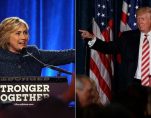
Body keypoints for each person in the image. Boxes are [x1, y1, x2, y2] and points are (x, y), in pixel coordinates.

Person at [79, 7, 151, 90]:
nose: (139, 22)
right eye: (137, 19)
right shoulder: (127, 37)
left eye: (142, 19)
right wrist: (91, 38)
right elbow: (108, 48)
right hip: (134, 85)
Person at [0, 17, 75, 76]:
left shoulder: (33, 53)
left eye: (25, 32)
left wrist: (86, 48)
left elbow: (63, 55)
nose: (24, 37)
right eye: (18, 33)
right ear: (6, 36)